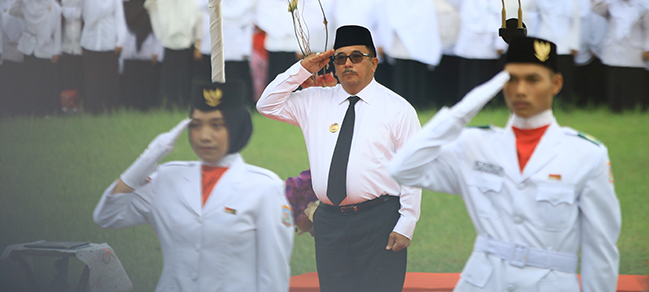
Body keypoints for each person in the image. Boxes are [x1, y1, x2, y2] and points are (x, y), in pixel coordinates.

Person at [389, 36, 621, 292]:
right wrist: (467, 106)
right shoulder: (475, 144)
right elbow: (403, 168)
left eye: (533, 79)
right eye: (512, 79)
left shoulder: (586, 154)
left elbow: (600, 250)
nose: (520, 90)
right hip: (483, 281)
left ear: (555, 84)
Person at [257, 25, 422, 292]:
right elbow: (266, 105)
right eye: (340, 58)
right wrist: (303, 69)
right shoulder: (314, 101)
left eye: (356, 57)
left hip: (379, 219)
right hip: (330, 221)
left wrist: (407, 222)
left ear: (374, 63)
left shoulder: (398, 109)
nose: (347, 63)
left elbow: (414, 169)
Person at [94, 80, 294, 292]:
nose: (204, 136)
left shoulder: (264, 188)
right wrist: (151, 155)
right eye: (196, 125)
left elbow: (273, 276)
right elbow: (107, 215)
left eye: (217, 125)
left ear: (237, 128)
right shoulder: (167, 177)